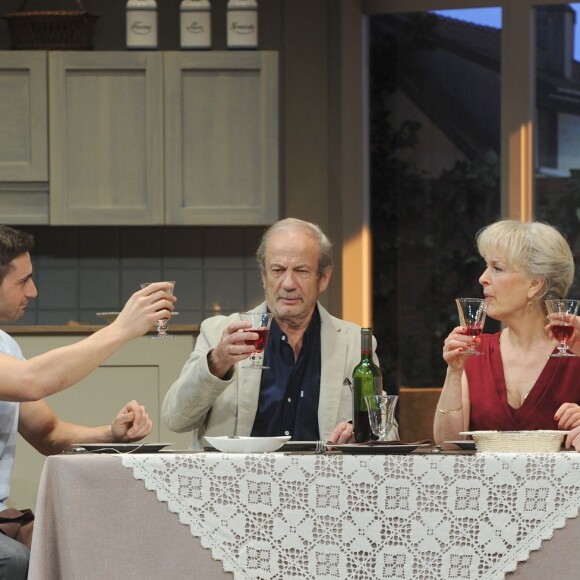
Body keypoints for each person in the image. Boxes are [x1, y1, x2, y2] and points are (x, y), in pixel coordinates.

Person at [0, 225, 175, 579]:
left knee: (83, 545)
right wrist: (121, 328)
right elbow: (32, 381)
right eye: (23, 281)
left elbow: (48, 434)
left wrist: (110, 435)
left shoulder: (5, 345)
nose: (32, 291)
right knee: (18, 562)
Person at [162, 217, 398, 449]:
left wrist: (359, 433)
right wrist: (217, 361)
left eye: (301, 271)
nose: (288, 283)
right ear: (264, 276)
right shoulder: (218, 333)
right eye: (278, 270)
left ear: (323, 278)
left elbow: (388, 431)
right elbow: (176, 418)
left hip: (323, 480)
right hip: (239, 480)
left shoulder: (353, 342)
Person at [433, 219, 580, 450]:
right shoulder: (476, 351)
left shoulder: (575, 349)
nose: (483, 278)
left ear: (535, 285)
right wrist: (453, 371)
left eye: (497, 268)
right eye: (486, 266)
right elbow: (448, 445)